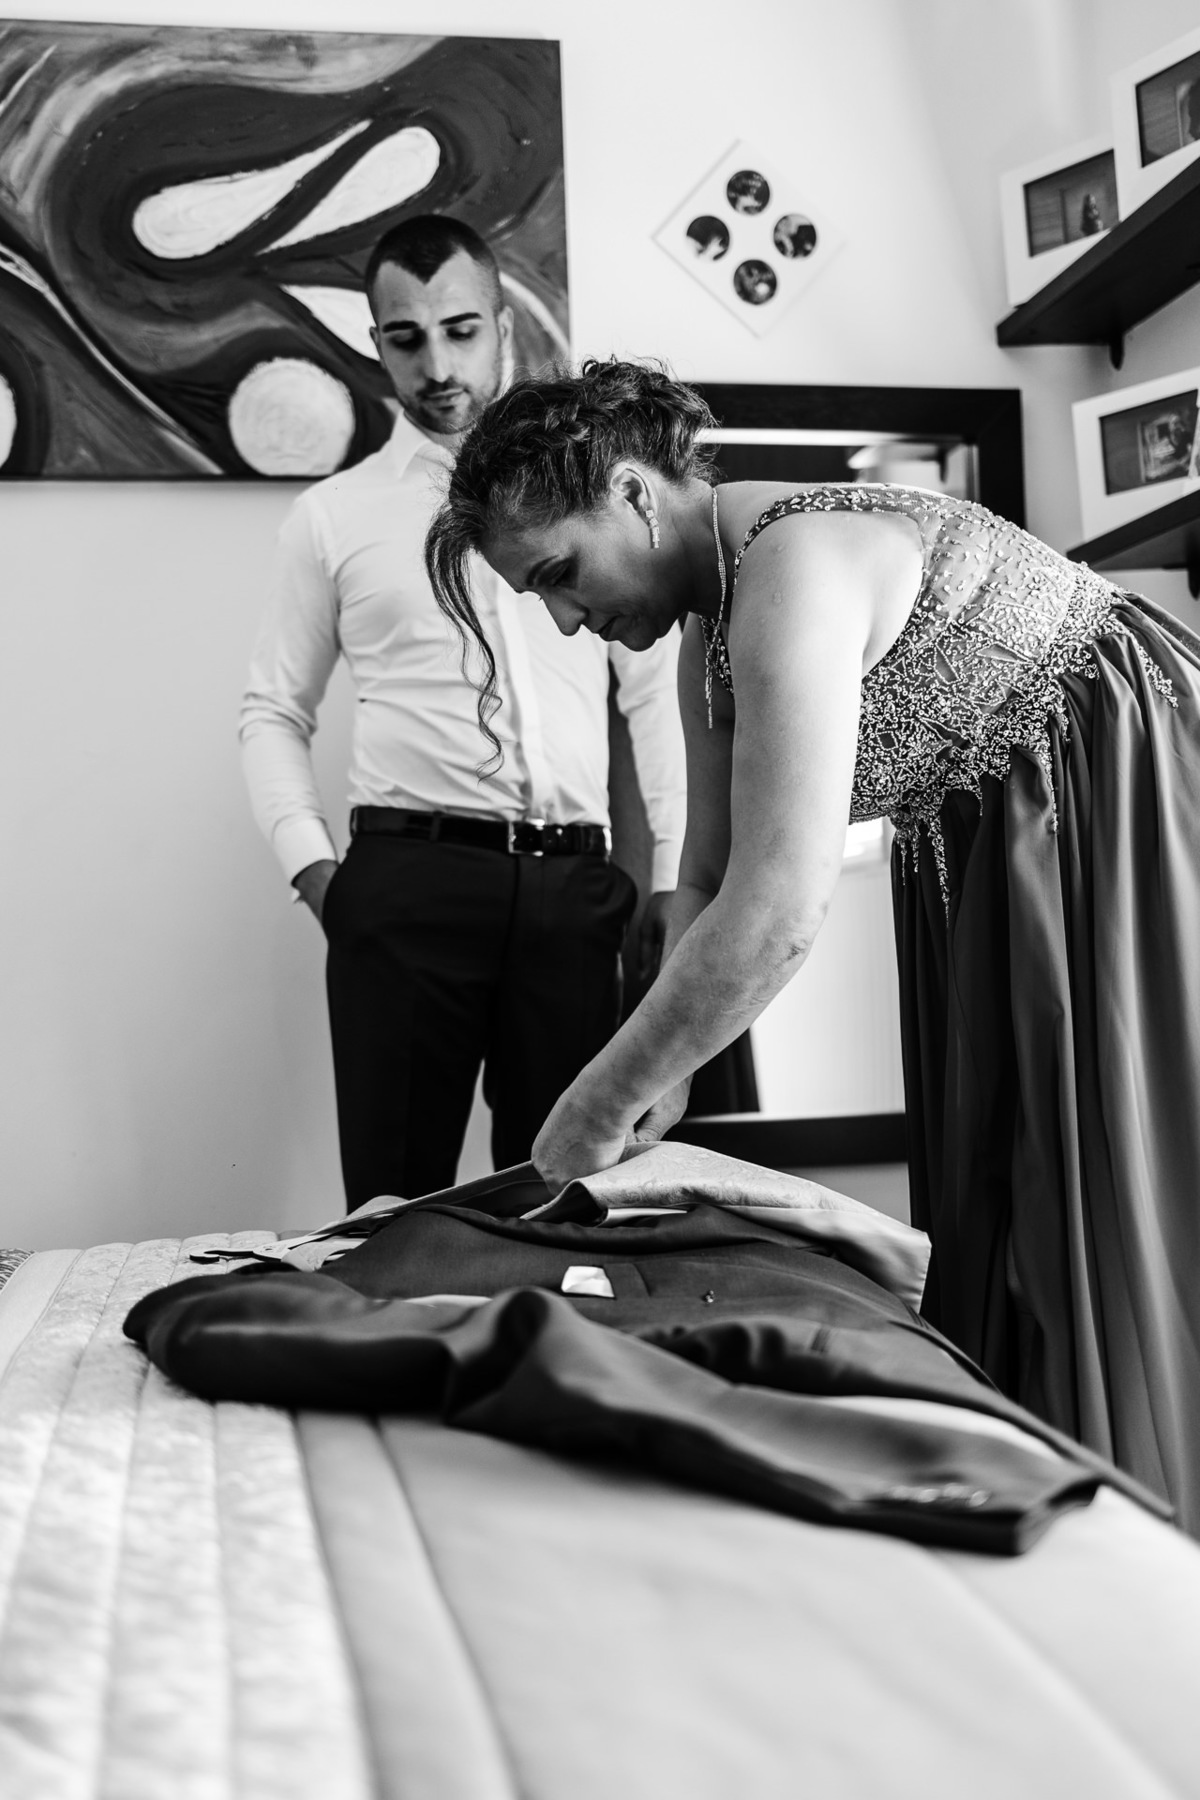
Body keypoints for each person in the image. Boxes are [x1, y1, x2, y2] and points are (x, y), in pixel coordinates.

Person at [424, 356, 1200, 1534]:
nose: (568, 621)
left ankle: (1147, 1518)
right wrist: (663, 1072)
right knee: (1019, 1200)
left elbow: (780, 909)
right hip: (996, 852)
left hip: (1113, 806)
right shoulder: (713, 627)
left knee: (1112, 1186)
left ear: (633, 494)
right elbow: (707, 876)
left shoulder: (793, 565)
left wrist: (597, 1100)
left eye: (560, 575)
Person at [240, 233, 685, 1209]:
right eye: (406, 338)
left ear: (503, 327)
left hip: (574, 892)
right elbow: (273, 710)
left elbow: (652, 689)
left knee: (567, 1198)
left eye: (460, 329)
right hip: (407, 891)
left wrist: (669, 876)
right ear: (376, 344)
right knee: (393, 1213)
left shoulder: (589, 503)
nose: (437, 365)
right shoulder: (332, 517)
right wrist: (318, 878)